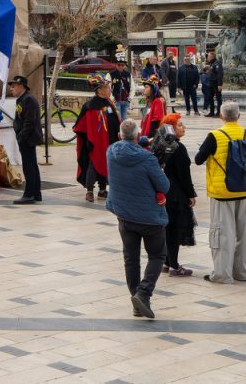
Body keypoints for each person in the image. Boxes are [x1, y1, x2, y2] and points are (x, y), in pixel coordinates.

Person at [106, 118, 169, 320]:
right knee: (158, 255)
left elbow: (129, 142)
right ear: (136, 136)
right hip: (149, 216)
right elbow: (164, 186)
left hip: (124, 214)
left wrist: (141, 140)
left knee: (131, 258)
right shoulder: (147, 158)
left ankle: (137, 300)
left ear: (119, 135)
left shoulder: (111, 152)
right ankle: (144, 293)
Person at [194, 100, 246, 284]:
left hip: (222, 192)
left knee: (223, 233)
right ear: (238, 115)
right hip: (245, 189)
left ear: (221, 116)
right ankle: (243, 272)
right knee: (245, 233)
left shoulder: (215, 135)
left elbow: (198, 159)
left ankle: (222, 275)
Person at [156, 114, 197, 277]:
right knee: (174, 229)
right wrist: (191, 194)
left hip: (165, 189)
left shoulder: (162, 145)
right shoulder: (178, 148)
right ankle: (174, 265)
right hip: (176, 192)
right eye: (180, 125)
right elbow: (184, 175)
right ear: (171, 128)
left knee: (168, 228)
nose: (183, 127)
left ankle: (167, 262)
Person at [74, 73, 119, 202]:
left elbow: (115, 120)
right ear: (100, 90)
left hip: (110, 139)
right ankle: (89, 191)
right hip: (95, 142)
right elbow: (81, 125)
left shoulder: (109, 103)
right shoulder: (90, 106)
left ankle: (102, 189)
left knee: (106, 163)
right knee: (93, 165)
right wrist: (90, 139)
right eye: (107, 87)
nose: (110, 89)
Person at [7, 75, 43, 205]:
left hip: (28, 138)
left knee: (29, 166)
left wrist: (22, 136)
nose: (11, 88)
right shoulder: (21, 99)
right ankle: (36, 193)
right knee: (32, 165)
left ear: (22, 86)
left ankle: (29, 194)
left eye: (14, 86)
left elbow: (30, 121)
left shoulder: (28, 99)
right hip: (25, 137)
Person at [203, 52, 224, 117]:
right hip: (211, 84)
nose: (208, 58)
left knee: (218, 99)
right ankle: (211, 112)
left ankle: (218, 113)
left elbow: (220, 74)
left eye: (209, 57)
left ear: (212, 57)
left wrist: (219, 84)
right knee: (210, 98)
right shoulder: (212, 64)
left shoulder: (217, 63)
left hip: (216, 84)